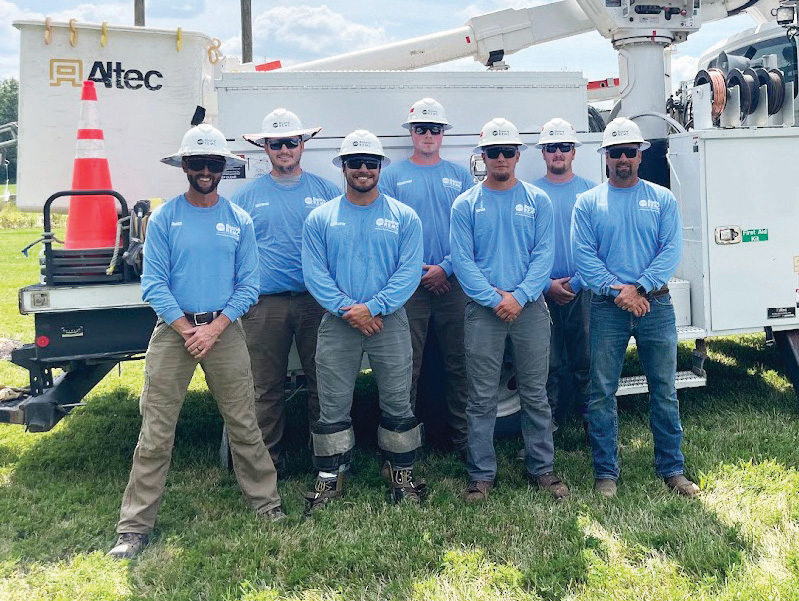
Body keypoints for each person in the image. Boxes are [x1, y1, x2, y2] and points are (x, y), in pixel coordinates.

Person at [109, 124, 284, 560]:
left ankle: (267, 504)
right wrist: (189, 329)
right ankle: (133, 527)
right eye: (198, 163)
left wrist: (215, 328)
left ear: (224, 168)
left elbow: (249, 285)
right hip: (174, 332)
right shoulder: (165, 218)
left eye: (213, 164)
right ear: (184, 166)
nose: (206, 171)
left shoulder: (237, 219)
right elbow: (154, 283)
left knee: (244, 422)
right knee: (156, 430)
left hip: (223, 330)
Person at [571, 117, 699, 499]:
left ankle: (672, 469)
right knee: (602, 392)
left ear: (640, 155)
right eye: (616, 152)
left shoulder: (662, 198)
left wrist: (639, 288)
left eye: (630, 151)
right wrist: (620, 292)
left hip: (655, 304)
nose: (623, 158)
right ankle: (606, 473)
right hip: (608, 308)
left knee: (664, 389)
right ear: (605, 157)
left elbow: (670, 252)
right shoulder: (587, 202)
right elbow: (584, 258)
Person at [301, 129, 425, 512]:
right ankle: (330, 477)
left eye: (370, 163)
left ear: (380, 167)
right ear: (344, 167)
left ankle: (401, 472)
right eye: (355, 163)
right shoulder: (320, 218)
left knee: (397, 399)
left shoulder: (404, 217)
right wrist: (348, 310)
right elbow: (314, 274)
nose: (363, 169)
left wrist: (375, 307)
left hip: (388, 321)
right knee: (333, 402)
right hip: (339, 323)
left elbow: (408, 272)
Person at [450, 117, 568, 503]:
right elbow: (463, 262)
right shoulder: (465, 204)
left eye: (507, 152)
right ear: (482, 156)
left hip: (529, 308)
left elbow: (543, 255)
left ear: (518, 156)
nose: (500, 158)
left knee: (535, 393)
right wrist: (494, 298)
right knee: (482, 397)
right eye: (492, 152)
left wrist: (519, 296)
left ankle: (542, 469)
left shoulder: (537, 201)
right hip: (484, 312)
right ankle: (481, 474)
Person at [233, 108, 340, 466]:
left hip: (316, 302)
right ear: (265, 148)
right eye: (276, 143)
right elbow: (235, 252)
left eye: (291, 142)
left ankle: (326, 463)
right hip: (265, 305)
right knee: (264, 388)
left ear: (302, 146)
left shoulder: (326, 192)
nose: (284, 149)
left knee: (322, 385)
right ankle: (267, 467)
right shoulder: (247, 198)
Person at [379, 98, 473, 455]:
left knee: (460, 365)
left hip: (453, 283)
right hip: (409, 286)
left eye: (435, 129)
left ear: (443, 133)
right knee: (407, 368)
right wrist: (418, 271)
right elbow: (386, 232)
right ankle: (405, 448)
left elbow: (468, 232)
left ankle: (465, 443)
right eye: (422, 129)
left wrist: (445, 267)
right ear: (412, 133)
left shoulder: (460, 175)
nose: (429, 135)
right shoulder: (392, 176)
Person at [533, 118, 596, 427]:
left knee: (585, 357)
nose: (558, 153)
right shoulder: (529, 193)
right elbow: (523, 247)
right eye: (551, 147)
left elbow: (599, 245)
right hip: (541, 291)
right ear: (542, 153)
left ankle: (589, 418)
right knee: (548, 360)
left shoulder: (591, 192)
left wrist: (576, 281)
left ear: (574, 152)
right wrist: (546, 284)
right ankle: (550, 421)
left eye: (564, 147)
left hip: (581, 287)